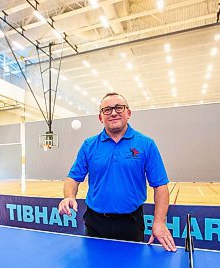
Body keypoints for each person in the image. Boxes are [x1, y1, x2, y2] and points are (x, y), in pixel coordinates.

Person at [58, 92, 176, 252]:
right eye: (107, 110)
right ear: (101, 117)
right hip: (95, 223)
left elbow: (160, 186)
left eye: (118, 108)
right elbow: (73, 178)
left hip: (131, 224)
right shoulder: (88, 145)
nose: (113, 113)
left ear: (128, 113)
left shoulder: (146, 144)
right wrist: (69, 197)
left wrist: (159, 222)